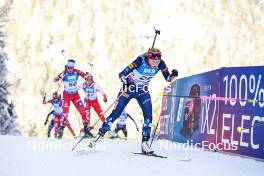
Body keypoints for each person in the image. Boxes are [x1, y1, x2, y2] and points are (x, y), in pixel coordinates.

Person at [89, 48, 178, 154]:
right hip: (129, 89)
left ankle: (145, 144)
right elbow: (121, 74)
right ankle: (99, 136)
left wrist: (173, 75)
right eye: (153, 61)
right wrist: (126, 82)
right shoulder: (140, 60)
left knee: (148, 117)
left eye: (157, 61)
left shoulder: (161, 63)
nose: (155, 64)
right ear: (149, 58)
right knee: (116, 113)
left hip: (143, 91)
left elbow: (168, 78)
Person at [54, 59, 91, 137]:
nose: (70, 69)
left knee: (83, 112)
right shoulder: (64, 73)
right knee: (65, 114)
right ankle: (60, 129)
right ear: (66, 67)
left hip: (75, 95)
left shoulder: (76, 72)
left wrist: (88, 76)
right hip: (66, 96)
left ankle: (85, 130)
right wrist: (59, 77)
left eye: (71, 67)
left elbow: (86, 76)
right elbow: (55, 80)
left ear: (73, 67)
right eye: (68, 67)